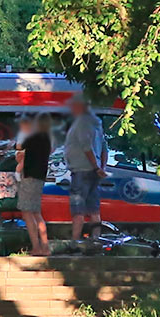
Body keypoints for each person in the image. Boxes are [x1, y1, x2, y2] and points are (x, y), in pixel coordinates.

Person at [64, 92, 108, 240]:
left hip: (82, 171)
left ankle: (75, 243)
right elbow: (104, 148)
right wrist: (102, 168)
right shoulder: (97, 123)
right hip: (93, 173)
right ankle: (96, 240)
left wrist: (96, 167)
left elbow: (86, 147)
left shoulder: (82, 123)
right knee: (94, 210)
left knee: (78, 212)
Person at [16, 112, 52, 256]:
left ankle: (36, 247)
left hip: (29, 176)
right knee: (37, 213)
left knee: (27, 213)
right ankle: (45, 247)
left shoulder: (32, 136)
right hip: (40, 177)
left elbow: (19, 146)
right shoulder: (47, 138)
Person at [14, 113, 33, 180]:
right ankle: (17, 173)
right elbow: (18, 147)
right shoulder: (22, 135)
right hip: (21, 152)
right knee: (23, 161)